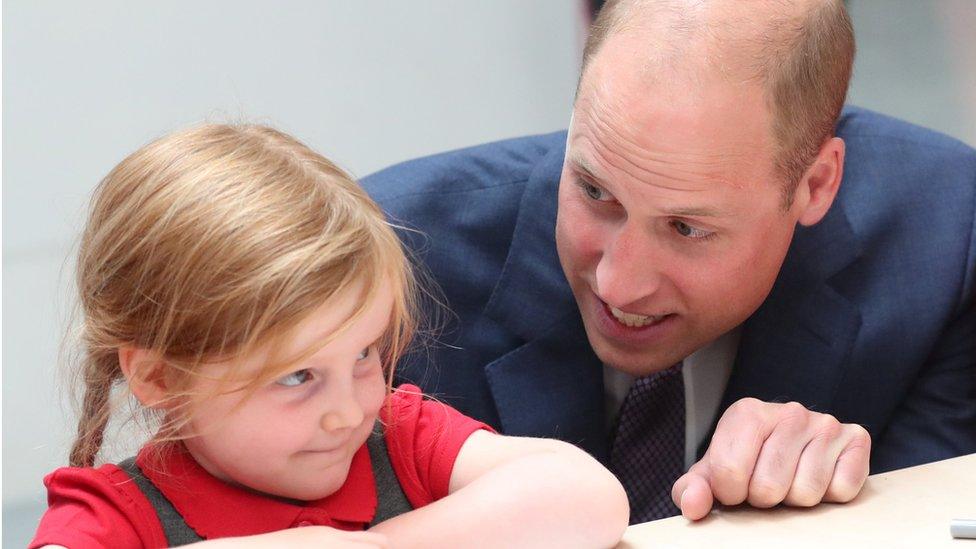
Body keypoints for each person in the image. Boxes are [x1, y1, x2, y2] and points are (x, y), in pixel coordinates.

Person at [363, 0, 976, 524]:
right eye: (594, 192)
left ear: (816, 185)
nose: (617, 285)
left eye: (687, 228)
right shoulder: (388, 261)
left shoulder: (943, 239)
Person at [30, 124, 630, 548]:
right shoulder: (114, 518)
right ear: (159, 377)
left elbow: (588, 498)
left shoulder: (396, 439)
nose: (348, 412)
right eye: (298, 376)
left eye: (365, 354)